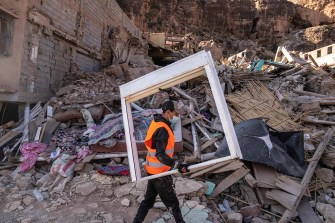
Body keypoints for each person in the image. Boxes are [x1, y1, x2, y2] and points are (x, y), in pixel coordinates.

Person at [133, 100, 190, 223]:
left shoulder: (157, 121)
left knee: (148, 200)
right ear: (168, 112)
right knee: (173, 202)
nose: (176, 117)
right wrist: (176, 165)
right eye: (174, 113)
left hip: (153, 170)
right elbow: (160, 155)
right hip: (159, 172)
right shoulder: (162, 129)